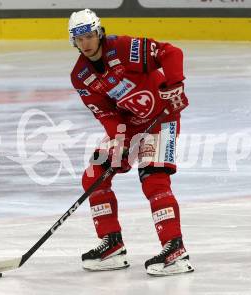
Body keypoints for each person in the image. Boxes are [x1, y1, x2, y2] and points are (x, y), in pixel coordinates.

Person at [69, 9, 194, 276]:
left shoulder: (125, 48)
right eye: (80, 39)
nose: (86, 43)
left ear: (99, 33)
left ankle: (175, 249)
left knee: (154, 178)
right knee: (94, 175)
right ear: (74, 42)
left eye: (90, 36)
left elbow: (171, 53)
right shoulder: (80, 76)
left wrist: (175, 85)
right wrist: (121, 141)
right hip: (129, 124)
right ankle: (111, 244)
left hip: (162, 118)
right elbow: (106, 113)